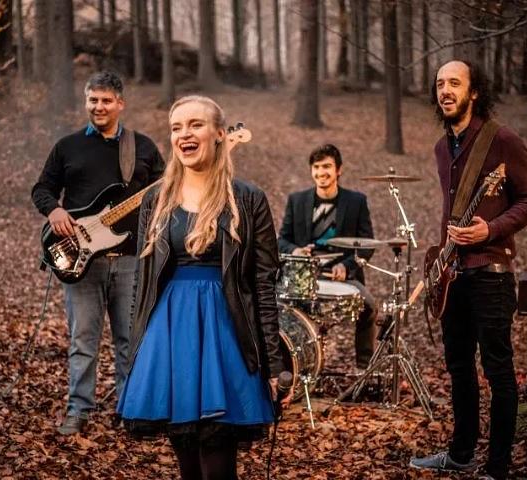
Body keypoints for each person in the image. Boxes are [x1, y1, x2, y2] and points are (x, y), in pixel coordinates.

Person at [117, 95, 285, 480]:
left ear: (220, 134)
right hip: (169, 336)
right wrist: (134, 355)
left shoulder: (248, 199)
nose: (184, 134)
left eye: (195, 125)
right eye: (176, 127)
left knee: (218, 460)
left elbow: (262, 286)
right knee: (188, 463)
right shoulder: (155, 200)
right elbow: (142, 282)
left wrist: (274, 364)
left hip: (226, 335)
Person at [409, 60, 527, 480]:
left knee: (498, 371)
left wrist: (492, 228)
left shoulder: (502, 140)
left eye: (454, 83)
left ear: (474, 92)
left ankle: (498, 467)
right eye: (439, 84)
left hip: (491, 272)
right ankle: (461, 453)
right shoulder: (441, 147)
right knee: (459, 367)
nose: (445, 91)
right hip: (453, 276)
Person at [31, 71, 165, 435]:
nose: (99, 106)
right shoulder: (67, 147)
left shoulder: (144, 148)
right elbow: (42, 188)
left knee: (130, 340)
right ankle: (78, 410)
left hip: (131, 260)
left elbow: (166, 194)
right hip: (80, 261)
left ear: (121, 104)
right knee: (83, 341)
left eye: (106, 100)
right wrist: (54, 210)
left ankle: (129, 409)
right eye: (93, 100)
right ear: (86, 101)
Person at [277, 144, 377, 369]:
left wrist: (347, 266)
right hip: (304, 278)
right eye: (317, 167)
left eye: (327, 167)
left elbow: (367, 244)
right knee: (279, 309)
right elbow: (282, 240)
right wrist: (296, 251)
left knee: (369, 307)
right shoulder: (297, 200)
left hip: (342, 276)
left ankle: (364, 368)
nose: (321, 172)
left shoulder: (356, 202)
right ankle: (293, 368)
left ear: (338, 170)